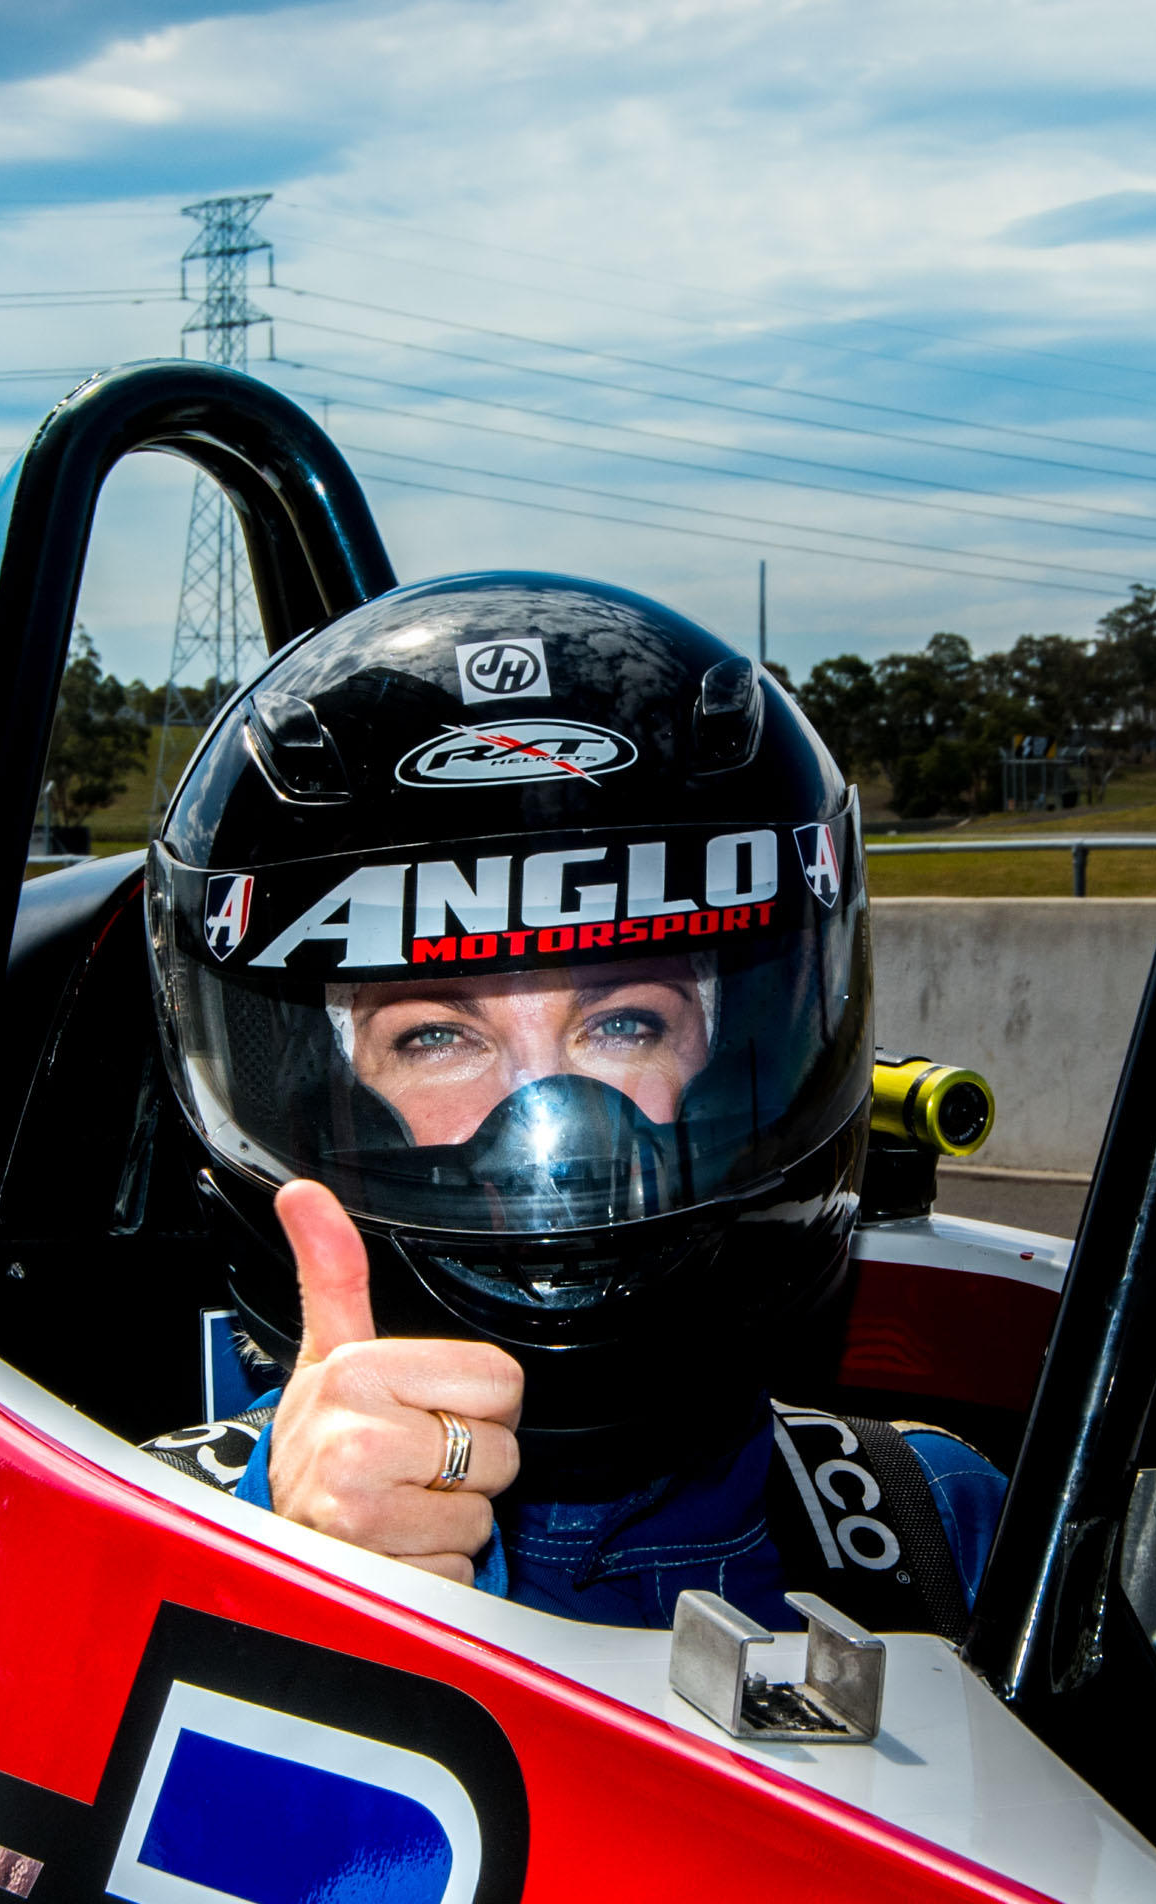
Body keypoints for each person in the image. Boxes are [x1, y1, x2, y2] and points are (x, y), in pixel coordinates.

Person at [137, 572, 999, 1630]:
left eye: (626, 1023)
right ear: (323, 1101)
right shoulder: (131, 1540)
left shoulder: (941, 1525)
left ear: (734, 1062)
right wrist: (284, 1573)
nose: (552, 1116)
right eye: (437, 1037)